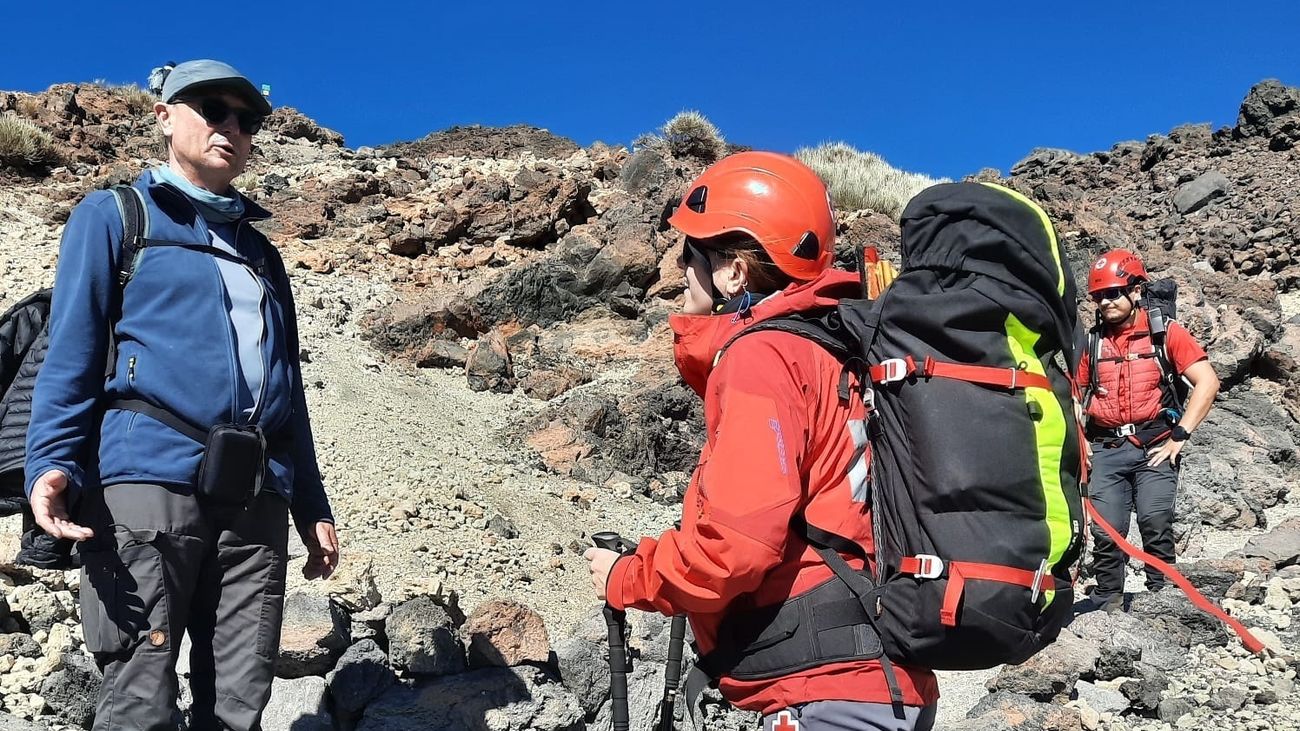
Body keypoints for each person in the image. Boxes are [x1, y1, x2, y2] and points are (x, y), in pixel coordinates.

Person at [24, 59, 337, 730]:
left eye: (246, 120)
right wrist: (51, 459)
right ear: (164, 116)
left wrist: (310, 500)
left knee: (240, 700)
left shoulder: (261, 254)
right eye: (212, 110)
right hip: (146, 483)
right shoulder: (115, 216)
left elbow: (287, 388)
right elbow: (71, 349)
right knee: (140, 697)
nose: (231, 127)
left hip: (256, 499)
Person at [584, 152, 938, 731]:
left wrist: (628, 576)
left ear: (734, 271)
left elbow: (733, 547)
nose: (677, 266)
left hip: (824, 692)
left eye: (691, 250)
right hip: (884, 676)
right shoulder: (841, 353)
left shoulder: (762, 357)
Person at [1079, 249, 1218, 609]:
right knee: (1106, 530)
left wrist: (1180, 436)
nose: (1105, 302)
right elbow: (1071, 396)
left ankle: (1166, 598)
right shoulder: (1091, 344)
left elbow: (1207, 382)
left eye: (1113, 293)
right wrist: (1079, 439)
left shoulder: (1165, 333)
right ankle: (1107, 600)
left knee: (1155, 520)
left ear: (1136, 291)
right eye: (1098, 296)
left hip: (1155, 443)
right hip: (1106, 448)